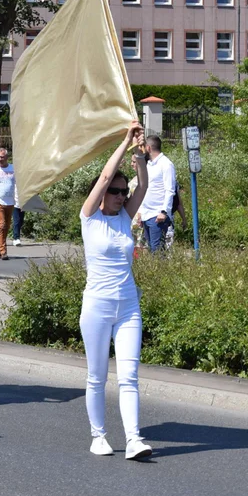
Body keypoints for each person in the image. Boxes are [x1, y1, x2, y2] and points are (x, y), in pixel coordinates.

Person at [79, 121, 153, 460]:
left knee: (129, 375)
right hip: (97, 305)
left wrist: (141, 156)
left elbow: (144, 186)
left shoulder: (125, 216)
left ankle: (134, 439)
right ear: (103, 192)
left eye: (125, 192)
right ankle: (98, 435)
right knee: (97, 377)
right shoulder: (90, 216)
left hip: (127, 305)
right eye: (117, 191)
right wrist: (124, 142)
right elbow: (106, 176)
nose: (122, 196)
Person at [137, 135, 177, 253]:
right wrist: (140, 210)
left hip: (157, 215)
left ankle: (162, 271)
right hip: (146, 213)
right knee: (151, 248)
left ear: (148, 148)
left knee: (158, 250)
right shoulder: (148, 165)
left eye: (143, 147)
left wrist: (164, 211)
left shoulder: (166, 164)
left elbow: (170, 190)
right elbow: (144, 188)